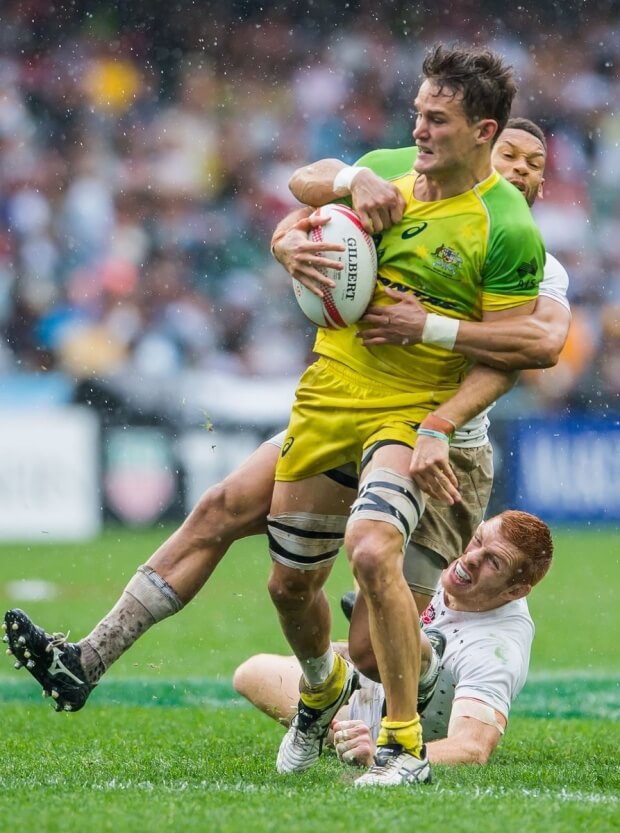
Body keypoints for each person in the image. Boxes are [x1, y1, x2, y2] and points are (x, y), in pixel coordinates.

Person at [3, 111, 563, 748]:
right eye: (511, 155)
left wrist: (430, 348)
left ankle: (406, 694)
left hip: (440, 447)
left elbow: (534, 346)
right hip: (347, 410)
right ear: (482, 151)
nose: (520, 170)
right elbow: (312, 193)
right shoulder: (412, 194)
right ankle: (85, 663)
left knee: (373, 652)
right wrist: (287, 242)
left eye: (535, 164)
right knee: (221, 508)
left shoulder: (527, 256)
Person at [264, 43, 549, 788]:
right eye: (418, 114)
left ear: (483, 130)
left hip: (407, 409)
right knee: (289, 587)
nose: (419, 130)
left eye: (439, 119)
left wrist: (436, 424)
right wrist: (345, 182)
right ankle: (320, 692)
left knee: (370, 550)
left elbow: (512, 353)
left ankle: (401, 745)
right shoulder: (387, 168)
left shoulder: (507, 225)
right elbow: (301, 183)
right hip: (328, 394)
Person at [233, 510, 553, 769]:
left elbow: (472, 748)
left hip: (405, 733)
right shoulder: (446, 557)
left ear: (515, 591)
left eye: (494, 562)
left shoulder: (497, 649)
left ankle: (417, 672)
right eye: (477, 539)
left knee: (405, 630)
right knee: (252, 672)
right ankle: (328, 716)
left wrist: (381, 753)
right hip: (368, 699)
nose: (470, 558)